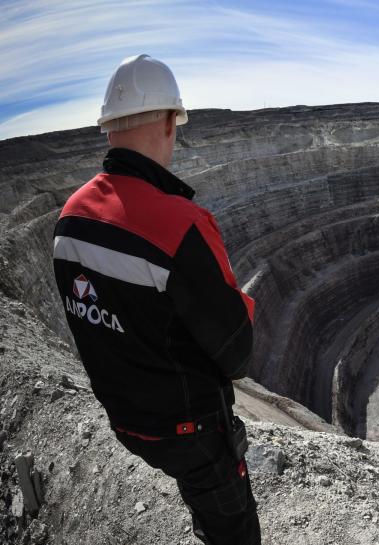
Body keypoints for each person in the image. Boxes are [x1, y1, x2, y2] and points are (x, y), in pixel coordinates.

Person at [51, 54, 261, 545]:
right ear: (170, 122)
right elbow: (238, 354)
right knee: (232, 528)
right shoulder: (180, 225)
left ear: (109, 129)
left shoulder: (69, 219)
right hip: (191, 435)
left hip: (126, 423)